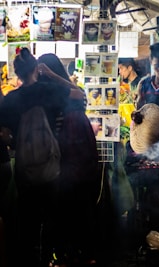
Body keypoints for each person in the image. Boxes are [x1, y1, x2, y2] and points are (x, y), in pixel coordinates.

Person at [0, 48, 71, 266]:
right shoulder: (48, 90)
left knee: (27, 219)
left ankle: (29, 258)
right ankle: (48, 257)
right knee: (50, 215)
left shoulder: (11, 99)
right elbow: (78, 94)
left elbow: (3, 135)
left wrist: (15, 140)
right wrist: (50, 74)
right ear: (35, 69)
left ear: (17, 73)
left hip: (24, 168)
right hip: (51, 165)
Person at [36, 53, 101, 265]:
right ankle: (76, 254)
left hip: (65, 166)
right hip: (69, 166)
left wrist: (52, 75)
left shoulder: (65, 95)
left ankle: (69, 255)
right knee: (74, 214)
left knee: (67, 214)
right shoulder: (50, 95)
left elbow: (81, 94)